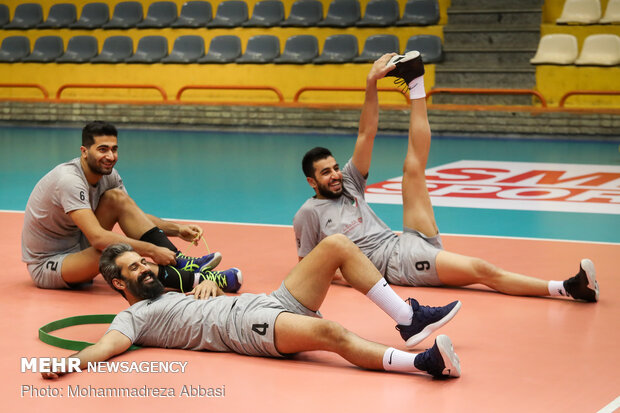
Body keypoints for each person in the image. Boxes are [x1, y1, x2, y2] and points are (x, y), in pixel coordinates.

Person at [293, 52, 599, 303]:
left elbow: (366, 132)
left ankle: (415, 84)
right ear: (311, 181)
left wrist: (371, 82)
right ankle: (568, 288)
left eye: (335, 168)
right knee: (482, 270)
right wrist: (355, 278)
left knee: (413, 168)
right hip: (398, 264)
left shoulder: (348, 184)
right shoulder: (308, 214)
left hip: (405, 241)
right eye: (326, 172)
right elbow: (308, 265)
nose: (335, 175)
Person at [41, 237, 461, 380]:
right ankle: (423, 363)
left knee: (335, 246)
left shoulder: (170, 294)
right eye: (135, 268)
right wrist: (69, 364)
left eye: (144, 260)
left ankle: (409, 319)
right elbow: (106, 347)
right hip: (249, 328)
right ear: (118, 283)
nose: (147, 266)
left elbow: (200, 298)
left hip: (265, 303)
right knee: (332, 333)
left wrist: (205, 285)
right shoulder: (131, 317)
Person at [22, 121, 241, 293]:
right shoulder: (69, 180)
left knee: (117, 199)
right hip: (51, 264)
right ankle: (197, 280)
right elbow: (98, 238)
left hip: (77, 245)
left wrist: (176, 229)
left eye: (114, 149)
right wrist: (153, 250)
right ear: (84, 151)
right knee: (113, 253)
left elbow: (134, 214)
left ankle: (180, 260)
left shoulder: (108, 175)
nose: (110, 156)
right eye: (103, 149)